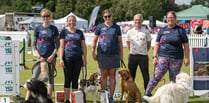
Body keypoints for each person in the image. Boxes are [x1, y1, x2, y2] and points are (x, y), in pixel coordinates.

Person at [145, 11, 190, 96]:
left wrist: (187, 58)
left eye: (172, 18)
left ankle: (173, 98)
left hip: (176, 59)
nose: (170, 19)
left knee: (174, 80)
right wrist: (154, 57)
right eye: (168, 18)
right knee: (156, 76)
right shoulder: (162, 30)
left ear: (175, 19)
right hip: (163, 57)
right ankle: (147, 94)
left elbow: (186, 45)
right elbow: (157, 44)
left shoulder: (180, 30)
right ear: (166, 19)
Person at [25, 8, 59, 101]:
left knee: (50, 79)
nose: (46, 18)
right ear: (41, 17)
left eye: (47, 16)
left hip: (51, 58)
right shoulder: (38, 28)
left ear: (50, 17)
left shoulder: (54, 29)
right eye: (44, 16)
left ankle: (48, 98)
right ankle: (27, 99)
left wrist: (52, 56)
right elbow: (33, 45)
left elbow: (57, 45)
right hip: (40, 59)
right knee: (33, 78)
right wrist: (39, 56)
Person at [91, 9, 123, 103]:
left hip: (114, 54)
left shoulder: (116, 28)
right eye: (106, 16)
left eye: (109, 16)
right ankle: (104, 96)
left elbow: (120, 42)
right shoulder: (99, 27)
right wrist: (93, 52)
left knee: (112, 76)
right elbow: (94, 41)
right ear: (103, 17)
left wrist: (121, 55)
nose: (107, 18)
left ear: (112, 16)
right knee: (104, 76)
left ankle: (111, 97)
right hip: (102, 54)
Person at [59, 15, 87, 103]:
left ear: (76, 22)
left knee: (75, 80)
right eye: (70, 21)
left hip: (78, 59)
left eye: (73, 21)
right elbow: (62, 46)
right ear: (67, 22)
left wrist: (85, 59)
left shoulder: (79, 32)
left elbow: (83, 46)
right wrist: (61, 59)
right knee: (67, 80)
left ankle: (74, 100)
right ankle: (67, 100)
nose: (72, 22)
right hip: (67, 59)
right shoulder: (63, 32)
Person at [126, 14, 151, 91]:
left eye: (139, 20)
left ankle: (147, 93)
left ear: (142, 21)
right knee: (131, 76)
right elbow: (128, 43)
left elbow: (149, 44)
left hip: (143, 56)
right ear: (134, 21)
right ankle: (130, 92)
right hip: (133, 56)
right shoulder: (129, 32)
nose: (137, 21)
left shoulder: (146, 31)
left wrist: (143, 51)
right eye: (136, 20)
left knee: (145, 76)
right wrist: (133, 51)